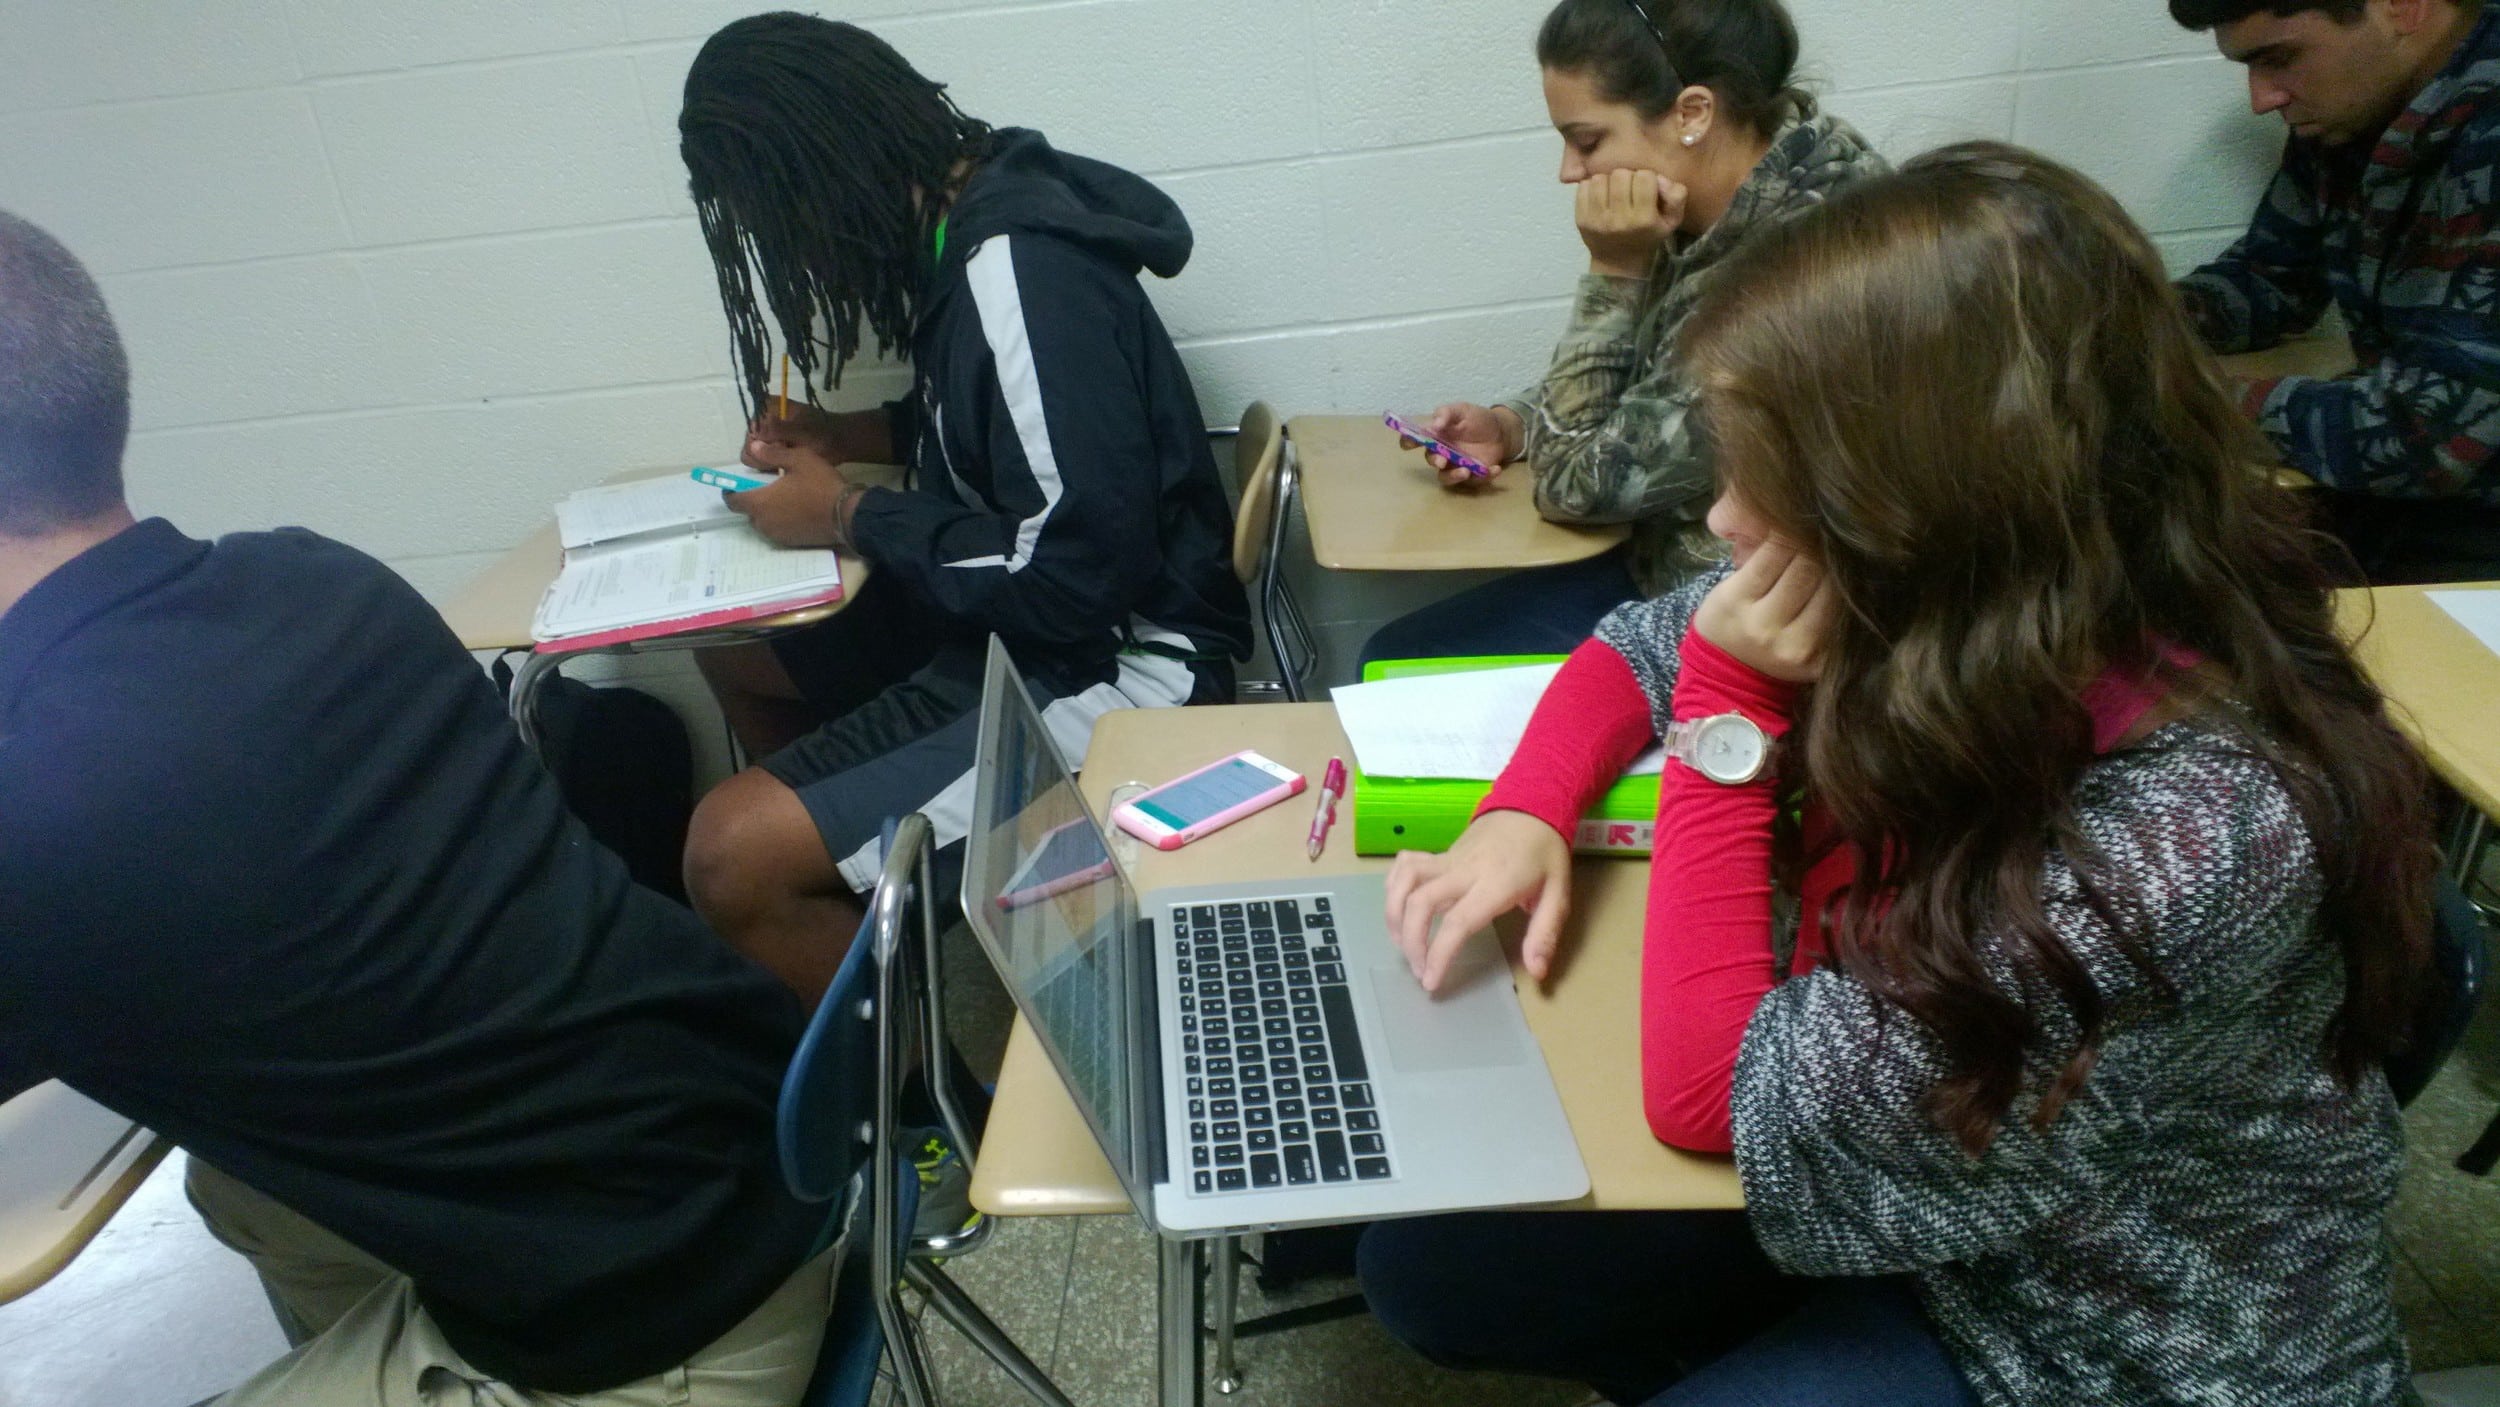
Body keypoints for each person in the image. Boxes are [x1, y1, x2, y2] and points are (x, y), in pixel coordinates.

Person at [1359, 146, 2439, 1406]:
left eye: (1771, 473)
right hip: (1926, 1175)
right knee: (1434, 1277)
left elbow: (1714, 1093)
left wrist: (1730, 708)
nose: (1721, 520)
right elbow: (1638, 643)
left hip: (2097, 1334)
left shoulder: (2197, 824)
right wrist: (1520, 814)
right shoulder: (1978, 587)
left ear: (1925, 489)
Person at [0, 210, 833, 1404]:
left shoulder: (33, 814)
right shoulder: (314, 576)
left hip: (660, 1327)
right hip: (760, 1148)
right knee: (238, 1190)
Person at [674, 14, 1250, 1006]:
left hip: (1121, 663)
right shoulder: (963, 230)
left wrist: (848, 514)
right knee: (736, 648)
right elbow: (1013, 439)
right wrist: (857, 434)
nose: (788, 253)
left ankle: (922, 1098)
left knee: (727, 857)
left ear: (820, 176)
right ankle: (879, 938)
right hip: (1024, 631)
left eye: (774, 220)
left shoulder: (1017, 272)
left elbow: (1071, 569)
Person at [1359, 0, 1885, 668]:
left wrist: (1613, 269)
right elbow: (1650, 381)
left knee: (1396, 667)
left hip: (1750, 619)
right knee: (1398, 656)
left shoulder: (1800, 270)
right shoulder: (1730, 195)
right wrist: (1513, 424)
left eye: (1587, 141)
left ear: (1693, 113)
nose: (1569, 172)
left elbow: (1578, 487)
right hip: (1670, 565)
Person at [2171, 0, 2500, 582]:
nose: (2262, 98)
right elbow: (2272, 277)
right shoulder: (2358, 108)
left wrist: (2179, 396)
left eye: (2280, 58)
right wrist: (2118, 318)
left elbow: (2431, 437)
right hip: (2430, 494)